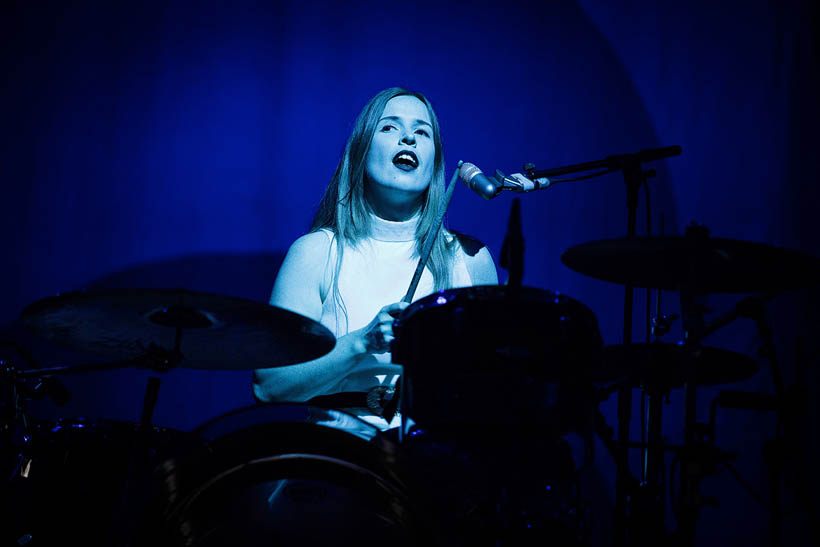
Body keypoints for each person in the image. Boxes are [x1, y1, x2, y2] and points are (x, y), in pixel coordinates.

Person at [252, 87, 498, 429]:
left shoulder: (470, 259)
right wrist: (361, 342)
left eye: (422, 132)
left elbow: (493, 387)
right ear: (361, 151)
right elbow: (269, 386)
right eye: (389, 127)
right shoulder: (316, 252)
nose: (409, 138)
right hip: (338, 459)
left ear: (435, 163)